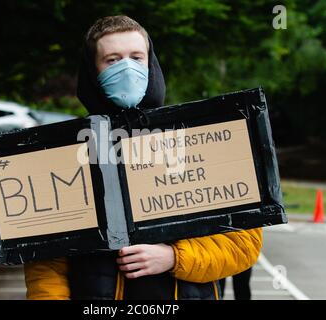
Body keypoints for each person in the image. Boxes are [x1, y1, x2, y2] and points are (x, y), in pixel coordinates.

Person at [24, 15, 263, 300]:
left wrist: (174, 257)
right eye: (112, 60)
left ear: (150, 64)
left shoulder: (198, 141)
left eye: (136, 57)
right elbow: (47, 264)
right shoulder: (64, 153)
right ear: (92, 70)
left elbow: (243, 244)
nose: (127, 68)